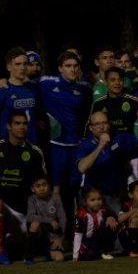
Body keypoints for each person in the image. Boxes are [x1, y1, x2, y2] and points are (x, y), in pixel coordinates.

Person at [0, 110, 47, 264]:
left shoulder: (34, 152)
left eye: (24, 124)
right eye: (17, 123)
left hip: (23, 209)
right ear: (8, 126)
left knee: (20, 246)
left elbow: (42, 185)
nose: (21, 127)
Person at [39, 51, 92, 197]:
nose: (72, 69)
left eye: (75, 66)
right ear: (60, 68)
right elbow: (24, 82)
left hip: (76, 146)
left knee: (78, 191)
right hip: (56, 146)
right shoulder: (46, 83)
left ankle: (79, 219)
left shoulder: (84, 88)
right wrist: (3, 81)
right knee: (55, 190)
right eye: (68, 66)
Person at [76, 111, 126, 217]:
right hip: (94, 198)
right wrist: (100, 146)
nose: (102, 127)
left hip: (114, 197)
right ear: (90, 128)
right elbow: (82, 167)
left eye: (104, 123)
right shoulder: (85, 145)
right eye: (97, 124)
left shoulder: (116, 141)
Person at [0, 47, 40, 145]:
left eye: (25, 64)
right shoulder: (1, 90)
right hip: (9, 147)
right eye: (18, 64)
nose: (22, 68)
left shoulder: (34, 88)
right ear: (8, 67)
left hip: (31, 145)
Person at [90, 66, 138, 141]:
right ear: (105, 82)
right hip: (107, 144)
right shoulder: (98, 103)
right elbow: (90, 126)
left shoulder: (134, 101)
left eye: (120, 80)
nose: (117, 83)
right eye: (113, 80)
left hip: (130, 145)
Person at [25, 175, 66, 264]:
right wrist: (49, 220)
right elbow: (30, 216)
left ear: (49, 186)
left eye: (44, 185)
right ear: (33, 189)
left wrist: (60, 239)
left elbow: (63, 219)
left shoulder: (56, 199)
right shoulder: (31, 199)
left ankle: (47, 253)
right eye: (38, 186)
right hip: (40, 234)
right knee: (35, 224)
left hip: (52, 236)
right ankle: (29, 255)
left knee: (60, 258)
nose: (42, 188)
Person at [72, 187, 119, 261]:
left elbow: (114, 216)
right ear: (85, 202)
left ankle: (104, 251)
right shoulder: (80, 215)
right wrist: (75, 256)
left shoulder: (103, 209)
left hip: (97, 238)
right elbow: (78, 235)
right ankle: (95, 252)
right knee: (89, 255)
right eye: (92, 200)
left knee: (112, 224)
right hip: (85, 241)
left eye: (99, 199)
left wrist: (110, 218)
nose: (97, 202)